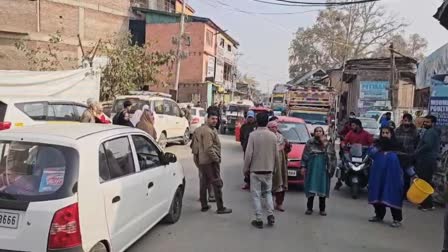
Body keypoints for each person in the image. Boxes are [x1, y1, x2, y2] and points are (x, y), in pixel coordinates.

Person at [368, 126, 416, 227]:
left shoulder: (398, 147)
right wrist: (379, 146)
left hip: (393, 179)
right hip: (378, 178)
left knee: (394, 196)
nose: (385, 135)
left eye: (387, 133)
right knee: (377, 194)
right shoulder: (377, 146)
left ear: (391, 134)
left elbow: (406, 163)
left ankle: (397, 219)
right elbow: (370, 154)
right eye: (383, 133)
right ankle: (379, 215)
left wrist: (413, 175)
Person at [244, 112, 278, 229]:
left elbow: (249, 154)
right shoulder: (273, 136)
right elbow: (276, 155)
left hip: (255, 170)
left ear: (256, 122)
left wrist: (246, 168)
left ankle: (259, 219)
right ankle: (270, 214)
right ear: (267, 121)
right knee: (268, 193)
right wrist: (275, 168)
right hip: (268, 169)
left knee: (256, 195)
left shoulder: (253, 135)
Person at [194, 112, 232, 214]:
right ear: (207, 119)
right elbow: (208, 149)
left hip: (203, 161)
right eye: (212, 118)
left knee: (204, 183)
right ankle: (220, 207)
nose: (215, 120)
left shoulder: (205, 129)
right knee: (217, 183)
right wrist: (216, 159)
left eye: (216, 118)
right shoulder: (207, 131)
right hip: (210, 161)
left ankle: (204, 205)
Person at [303, 127, 331, 216]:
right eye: (316, 131)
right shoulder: (310, 142)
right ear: (314, 133)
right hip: (312, 167)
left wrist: (324, 143)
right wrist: (303, 166)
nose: (318, 133)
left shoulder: (327, 143)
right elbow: (305, 155)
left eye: (320, 131)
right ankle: (309, 208)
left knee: (322, 188)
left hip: (323, 168)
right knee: (311, 187)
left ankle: (322, 209)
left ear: (323, 133)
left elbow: (332, 155)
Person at [415, 115, 441, 211]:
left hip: (427, 160)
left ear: (433, 123)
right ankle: (428, 204)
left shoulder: (430, 132)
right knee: (426, 181)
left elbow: (427, 145)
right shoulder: (432, 132)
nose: (425, 123)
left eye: (427, 122)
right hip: (429, 160)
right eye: (424, 121)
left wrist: (416, 152)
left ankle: (426, 204)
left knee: (424, 182)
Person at [267, 120, 290, 212]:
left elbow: (287, 149)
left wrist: (287, 146)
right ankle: (269, 203)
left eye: (276, 127)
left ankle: (279, 203)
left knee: (280, 183)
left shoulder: (281, 137)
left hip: (280, 163)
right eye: (272, 127)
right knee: (268, 184)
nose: (274, 129)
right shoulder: (266, 137)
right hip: (269, 162)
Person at [190, 124, 215, 203]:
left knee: (202, 176)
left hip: (200, 157)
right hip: (208, 158)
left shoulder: (197, 131)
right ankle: (211, 195)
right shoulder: (212, 131)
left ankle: (203, 196)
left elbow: (193, 146)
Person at [395, 113, 419, 194]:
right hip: (398, 156)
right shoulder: (397, 130)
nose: (406, 122)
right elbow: (394, 142)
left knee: (407, 176)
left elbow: (417, 144)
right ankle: (397, 191)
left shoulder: (414, 132)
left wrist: (414, 154)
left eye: (408, 121)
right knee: (397, 174)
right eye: (405, 120)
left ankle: (405, 193)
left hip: (409, 156)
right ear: (402, 121)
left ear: (411, 121)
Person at [240, 111, 257, 190]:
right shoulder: (244, 126)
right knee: (247, 166)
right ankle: (247, 182)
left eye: (251, 117)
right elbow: (241, 137)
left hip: (256, 150)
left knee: (254, 166)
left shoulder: (257, 126)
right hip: (246, 149)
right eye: (249, 117)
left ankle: (254, 183)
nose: (250, 119)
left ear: (254, 117)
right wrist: (243, 145)